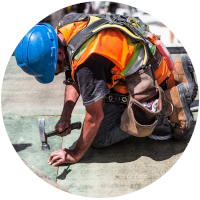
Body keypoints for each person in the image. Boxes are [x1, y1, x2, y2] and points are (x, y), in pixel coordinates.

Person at [14, 13, 197, 166]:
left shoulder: (88, 63)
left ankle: (169, 105)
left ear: (59, 53)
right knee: (96, 97)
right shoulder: (66, 26)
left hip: (148, 78)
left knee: (99, 138)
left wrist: (75, 153)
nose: (53, 74)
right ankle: (178, 73)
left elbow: (94, 117)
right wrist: (66, 115)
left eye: (51, 70)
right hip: (150, 59)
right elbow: (72, 73)